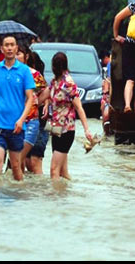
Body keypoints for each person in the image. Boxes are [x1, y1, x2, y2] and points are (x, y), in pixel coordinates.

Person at [0, 35, 35, 181]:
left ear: (16, 48)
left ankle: (19, 195)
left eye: (12, 45)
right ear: (2, 49)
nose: (9, 48)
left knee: (15, 167)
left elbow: (30, 98)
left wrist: (22, 120)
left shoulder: (24, 71)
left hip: (16, 127)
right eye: (6, 45)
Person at [44, 52, 93, 180]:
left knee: (54, 169)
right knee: (62, 172)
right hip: (55, 130)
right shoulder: (54, 82)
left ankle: (54, 198)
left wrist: (86, 129)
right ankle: (66, 197)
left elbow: (78, 107)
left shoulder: (68, 83)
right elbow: (45, 96)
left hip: (66, 131)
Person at [16, 44, 47, 173]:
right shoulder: (8, 73)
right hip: (13, 120)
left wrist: (35, 103)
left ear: (26, 56)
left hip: (31, 121)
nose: (16, 56)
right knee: (20, 161)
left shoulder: (34, 74)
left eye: (19, 53)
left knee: (23, 159)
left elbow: (46, 91)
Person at [24, 52, 50, 174]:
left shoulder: (37, 77)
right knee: (27, 161)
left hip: (39, 122)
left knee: (35, 160)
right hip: (23, 121)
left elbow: (48, 91)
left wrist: (43, 103)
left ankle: (38, 189)